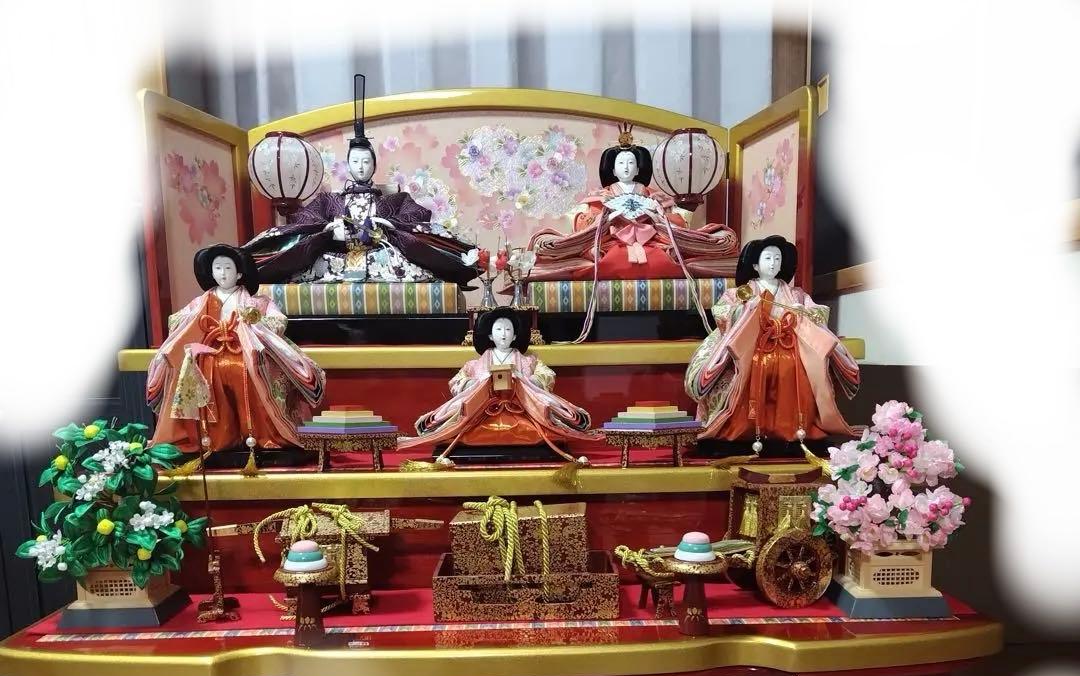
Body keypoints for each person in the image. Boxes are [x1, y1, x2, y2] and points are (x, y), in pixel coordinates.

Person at [244, 75, 479, 288]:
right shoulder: (329, 200)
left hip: (380, 255)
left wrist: (388, 225)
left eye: (366, 161)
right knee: (313, 264)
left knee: (405, 264)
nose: (361, 167)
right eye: (355, 161)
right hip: (337, 257)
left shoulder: (395, 199)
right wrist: (328, 229)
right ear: (348, 164)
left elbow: (417, 215)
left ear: (374, 165)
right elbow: (305, 219)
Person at [146, 244, 326, 454]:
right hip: (209, 350)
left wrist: (254, 323)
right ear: (211, 272)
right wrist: (194, 323)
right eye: (218, 268)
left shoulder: (257, 302)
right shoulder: (200, 302)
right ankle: (216, 439)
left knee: (249, 371)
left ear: (239, 273)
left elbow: (278, 320)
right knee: (199, 372)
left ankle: (260, 434)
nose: (222, 273)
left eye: (228, 268)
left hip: (244, 350)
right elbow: (176, 321)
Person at [684, 235, 860, 447]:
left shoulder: (796, 294)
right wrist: (747, 310)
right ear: (755, 265)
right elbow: (722, 312)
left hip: (789, 342)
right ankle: (743, 430)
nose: (773, 263)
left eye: (777, 258)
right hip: (751, 345)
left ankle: (793, 430)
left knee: (799, 368)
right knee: (747, 368)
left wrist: (803, 312)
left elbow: (818, 313)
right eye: (768, 258)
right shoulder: (741, 292)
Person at [526, 123, 738, 282]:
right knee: (604, 257)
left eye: (631, 163)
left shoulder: (654, 197)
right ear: (612, 168)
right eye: (621, 163)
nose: (626, 167)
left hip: (652, 240)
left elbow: (679, 222)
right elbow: (581, 223)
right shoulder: (600, 196)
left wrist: (657, 217)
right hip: (612, 241)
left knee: (666, 256)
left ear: (638, 168)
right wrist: (606, 218)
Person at [398, 308, 599, 462]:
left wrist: (523, 379)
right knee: (461, 424)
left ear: (515, 335)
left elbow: (547, 375)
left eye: (508, 329)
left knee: (543, 424)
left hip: (523, 410)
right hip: (482, 412)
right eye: (499, 329)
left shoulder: (529, 361)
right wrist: (478, 382)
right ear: (490, 335)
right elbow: (456, 382)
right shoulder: (474, 365)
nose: (504, 333)